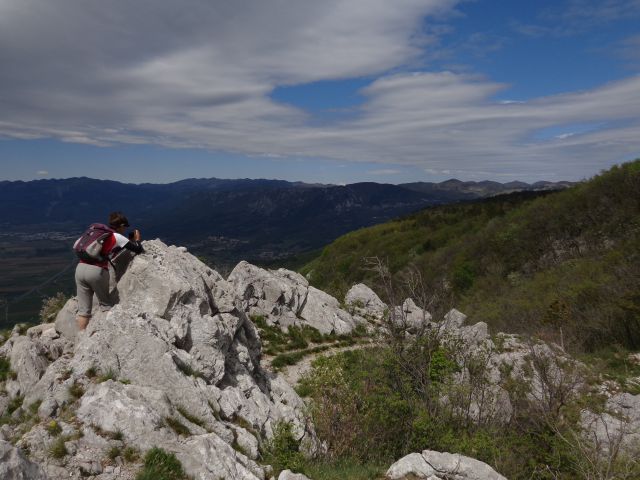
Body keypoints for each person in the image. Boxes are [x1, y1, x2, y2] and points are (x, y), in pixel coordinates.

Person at [75, 212, 144, 330]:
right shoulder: (117, 236)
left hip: (80, 268)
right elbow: (138, 249)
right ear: (121, 226)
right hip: (97, 271)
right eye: (124, 227)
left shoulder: (99, 233)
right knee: (105, 305)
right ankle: (108, 335)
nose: (124, 229)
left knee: (83, 311)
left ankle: (80, 341)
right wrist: (137, 240)